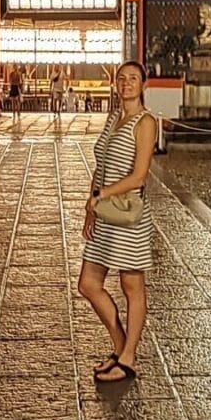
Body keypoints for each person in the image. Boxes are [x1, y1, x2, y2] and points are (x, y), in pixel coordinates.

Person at [78, 61, 156, 383]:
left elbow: (138, 176)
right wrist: (91, 204)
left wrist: (102, 195)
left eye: (133, 79)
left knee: (131, 286)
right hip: (105, 213)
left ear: (143, 85)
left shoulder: (146, 122)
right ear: (115, 84)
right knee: (88, 284)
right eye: (122, 79)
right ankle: (121, 347)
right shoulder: (114, 118)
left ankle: (129, 358)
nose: (126, 84)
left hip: (128, 215)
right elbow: (103, 162)